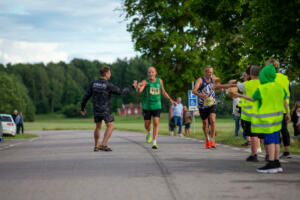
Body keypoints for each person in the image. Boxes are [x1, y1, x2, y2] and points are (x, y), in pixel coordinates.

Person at [235, 64, 290, 173]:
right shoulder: (279, 86)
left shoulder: (262, 88)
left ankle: (271, 163)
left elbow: (252, 99)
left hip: (267, 119)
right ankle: (277, 162)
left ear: (264, 75)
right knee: (276, 140)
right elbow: (284, 101)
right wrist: (287, 113)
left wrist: (240, 96)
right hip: (278, 118)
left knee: (270, 140)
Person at [81, 66, 137, 152]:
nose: (110, 75)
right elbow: (121, 91)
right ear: (106, 74)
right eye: (110, 73)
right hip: (105, 109)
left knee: (98, 127)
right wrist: (132, 87)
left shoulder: (93, 84)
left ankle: (96, 146)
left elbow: (86, 96)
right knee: (110, 126)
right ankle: (103, 144)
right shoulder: (108, 85)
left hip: (96, 109)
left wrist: (82, 107)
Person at [192, 66, 236, 149]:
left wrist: (222, 87)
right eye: (209, 72)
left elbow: (220, 87)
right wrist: (201, 95)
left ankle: (212, 140)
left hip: (212, 103)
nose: (210, 74)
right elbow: (194, 91)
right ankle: (207, 139)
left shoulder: (214, 78)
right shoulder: (200, 80)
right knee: (205, 123)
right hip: (203, 105)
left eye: (212, 72)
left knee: (212, 120)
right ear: (205, 72)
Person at [137, 66, 176, 149]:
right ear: (147, 74)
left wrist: (170, 100)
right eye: (149, 72)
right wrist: (139, 87)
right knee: (146, 125)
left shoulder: (159, 81)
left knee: (156, 122)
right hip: (147, 106)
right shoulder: (145, 81)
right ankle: (149, 132)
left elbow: (163, 92)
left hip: (157, 105)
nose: (150, 74)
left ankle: (154, 142)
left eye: (152, 72)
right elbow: (139, 91)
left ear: (155, 73)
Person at [266, 59, 291, 159]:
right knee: (284, 130)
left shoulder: (271, 78)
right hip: (285, 107)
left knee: (274, 132)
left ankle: (274, 154)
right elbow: (289, 92)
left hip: (274, 108)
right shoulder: (285, 78)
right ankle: (287, 151)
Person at [236, 65, 262, 162]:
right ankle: (269, 155)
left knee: (254, 135)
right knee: (264, 136)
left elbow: (233, 87)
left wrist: (218, 86)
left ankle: (254, 154)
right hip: (263, 113)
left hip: (250, 115)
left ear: (250, 74)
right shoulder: (264, 83)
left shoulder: (247, 84)